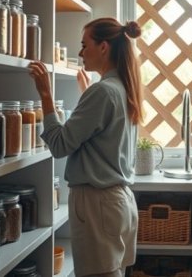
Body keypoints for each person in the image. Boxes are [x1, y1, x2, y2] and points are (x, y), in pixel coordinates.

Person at [28, 18, 144, 277]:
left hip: (97, 205)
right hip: (118, 203)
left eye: (84, 44)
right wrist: (87, 93)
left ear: (103, 47)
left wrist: (45, 94)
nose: (81, 52)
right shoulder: (123, 88)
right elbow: (103, 135)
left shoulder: (103, 92)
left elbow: (58, 145)